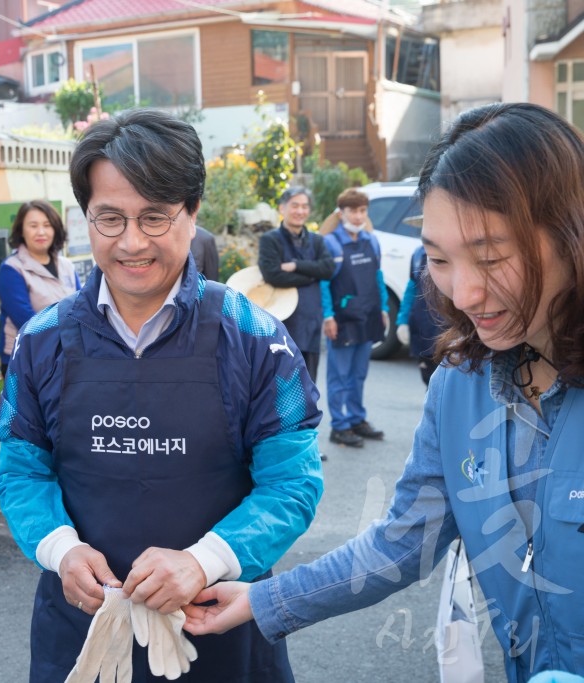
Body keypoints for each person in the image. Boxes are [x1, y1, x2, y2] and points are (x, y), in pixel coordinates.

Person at [182, 102, 584, 683]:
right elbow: (401, 542)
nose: (466, 293)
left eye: (493, 258)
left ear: (571, 235)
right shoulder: (460, 385)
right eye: (441, 260)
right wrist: (262, 601)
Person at [0, 108, 324, 682]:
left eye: (154, 218)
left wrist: (204, 561)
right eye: (110, 219)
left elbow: (292, 484)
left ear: (193, 213)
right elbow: (21, 471)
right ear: (86, 218)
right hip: (83, 636)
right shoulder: (42, 342)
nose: (131, 243)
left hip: (219, 630)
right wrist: (59, 549)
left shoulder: (255, 339)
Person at [320, 188, 389, 448]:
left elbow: (378, 277)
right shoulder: (331, 243)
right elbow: (324, 284)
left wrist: (383, 308)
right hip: (343, 319)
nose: (358, 216)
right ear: (341, 213)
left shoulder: (371, 241)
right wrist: (328, 316)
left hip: (368, 315)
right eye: (353, 211)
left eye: (362, 211)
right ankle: (339, 425)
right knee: (339, 375)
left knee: (358, 374)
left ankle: (358, 419)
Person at [257, 187, 335, 380]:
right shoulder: (270, 240)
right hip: (282, 322)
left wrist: (296, 265)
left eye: (304, 206)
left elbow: (328, 268)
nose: (300, 211)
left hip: (310, 321)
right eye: (295, 206)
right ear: (282, 208)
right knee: (281, 382)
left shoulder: (316, 241)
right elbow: (273, 275)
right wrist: (311, 276)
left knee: (308, 383)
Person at [0, 199, 80, 376]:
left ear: (55, 229)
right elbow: (27, 321)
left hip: (66, 357)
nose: (41, 232)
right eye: (33, 225)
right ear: (21, 231)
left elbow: (82, 307)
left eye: (47, 225)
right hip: (24, 361)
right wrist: (70, 334)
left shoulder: (67, 266)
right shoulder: (12, 269)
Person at [396, 244, 442, 386]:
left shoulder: (452, 250)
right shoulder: (418, 253)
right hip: (422, 327)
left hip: (446, 329)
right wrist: (402, 320)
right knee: (428, 379)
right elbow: (412, 287)